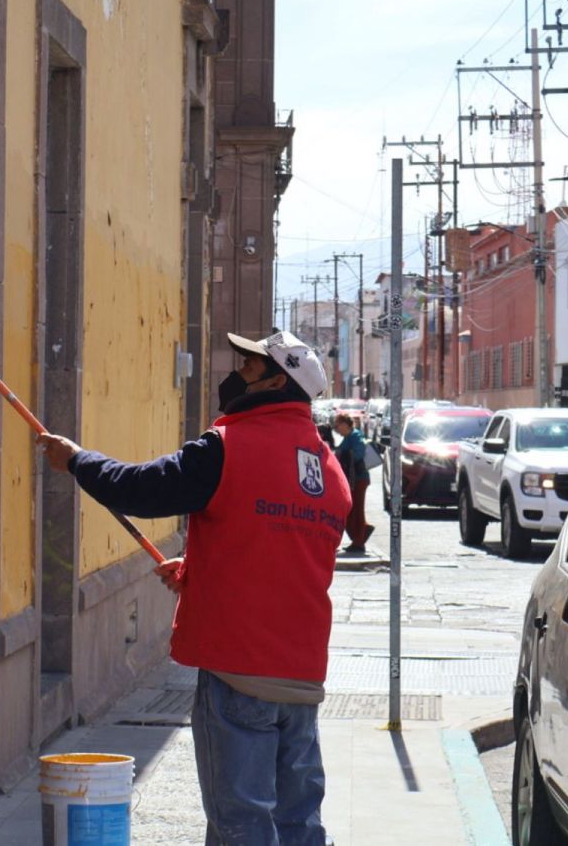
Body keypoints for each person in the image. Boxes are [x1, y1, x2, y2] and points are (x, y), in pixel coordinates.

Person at [39, 331, 351, 846]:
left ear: (278, 381)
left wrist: (77, 460)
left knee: (241, 825)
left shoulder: (227, 448)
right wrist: (198, 571)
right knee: (298, 825)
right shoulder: (329, 468)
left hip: (239, 672)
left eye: (250, 368)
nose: (236, 376)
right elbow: (284, 553)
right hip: (301, 677)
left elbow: (140, 489)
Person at [332, 413, 373, 554]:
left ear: (345, 424)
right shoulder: (348, 437)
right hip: (352, 479)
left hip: (359, 478)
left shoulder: (355, 436)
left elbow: (358, 453)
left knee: (357, 511)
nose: (336, 429)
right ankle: (361, 534)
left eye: (337, 425)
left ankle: (359, 542)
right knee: (350, 511)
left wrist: (342, 455)